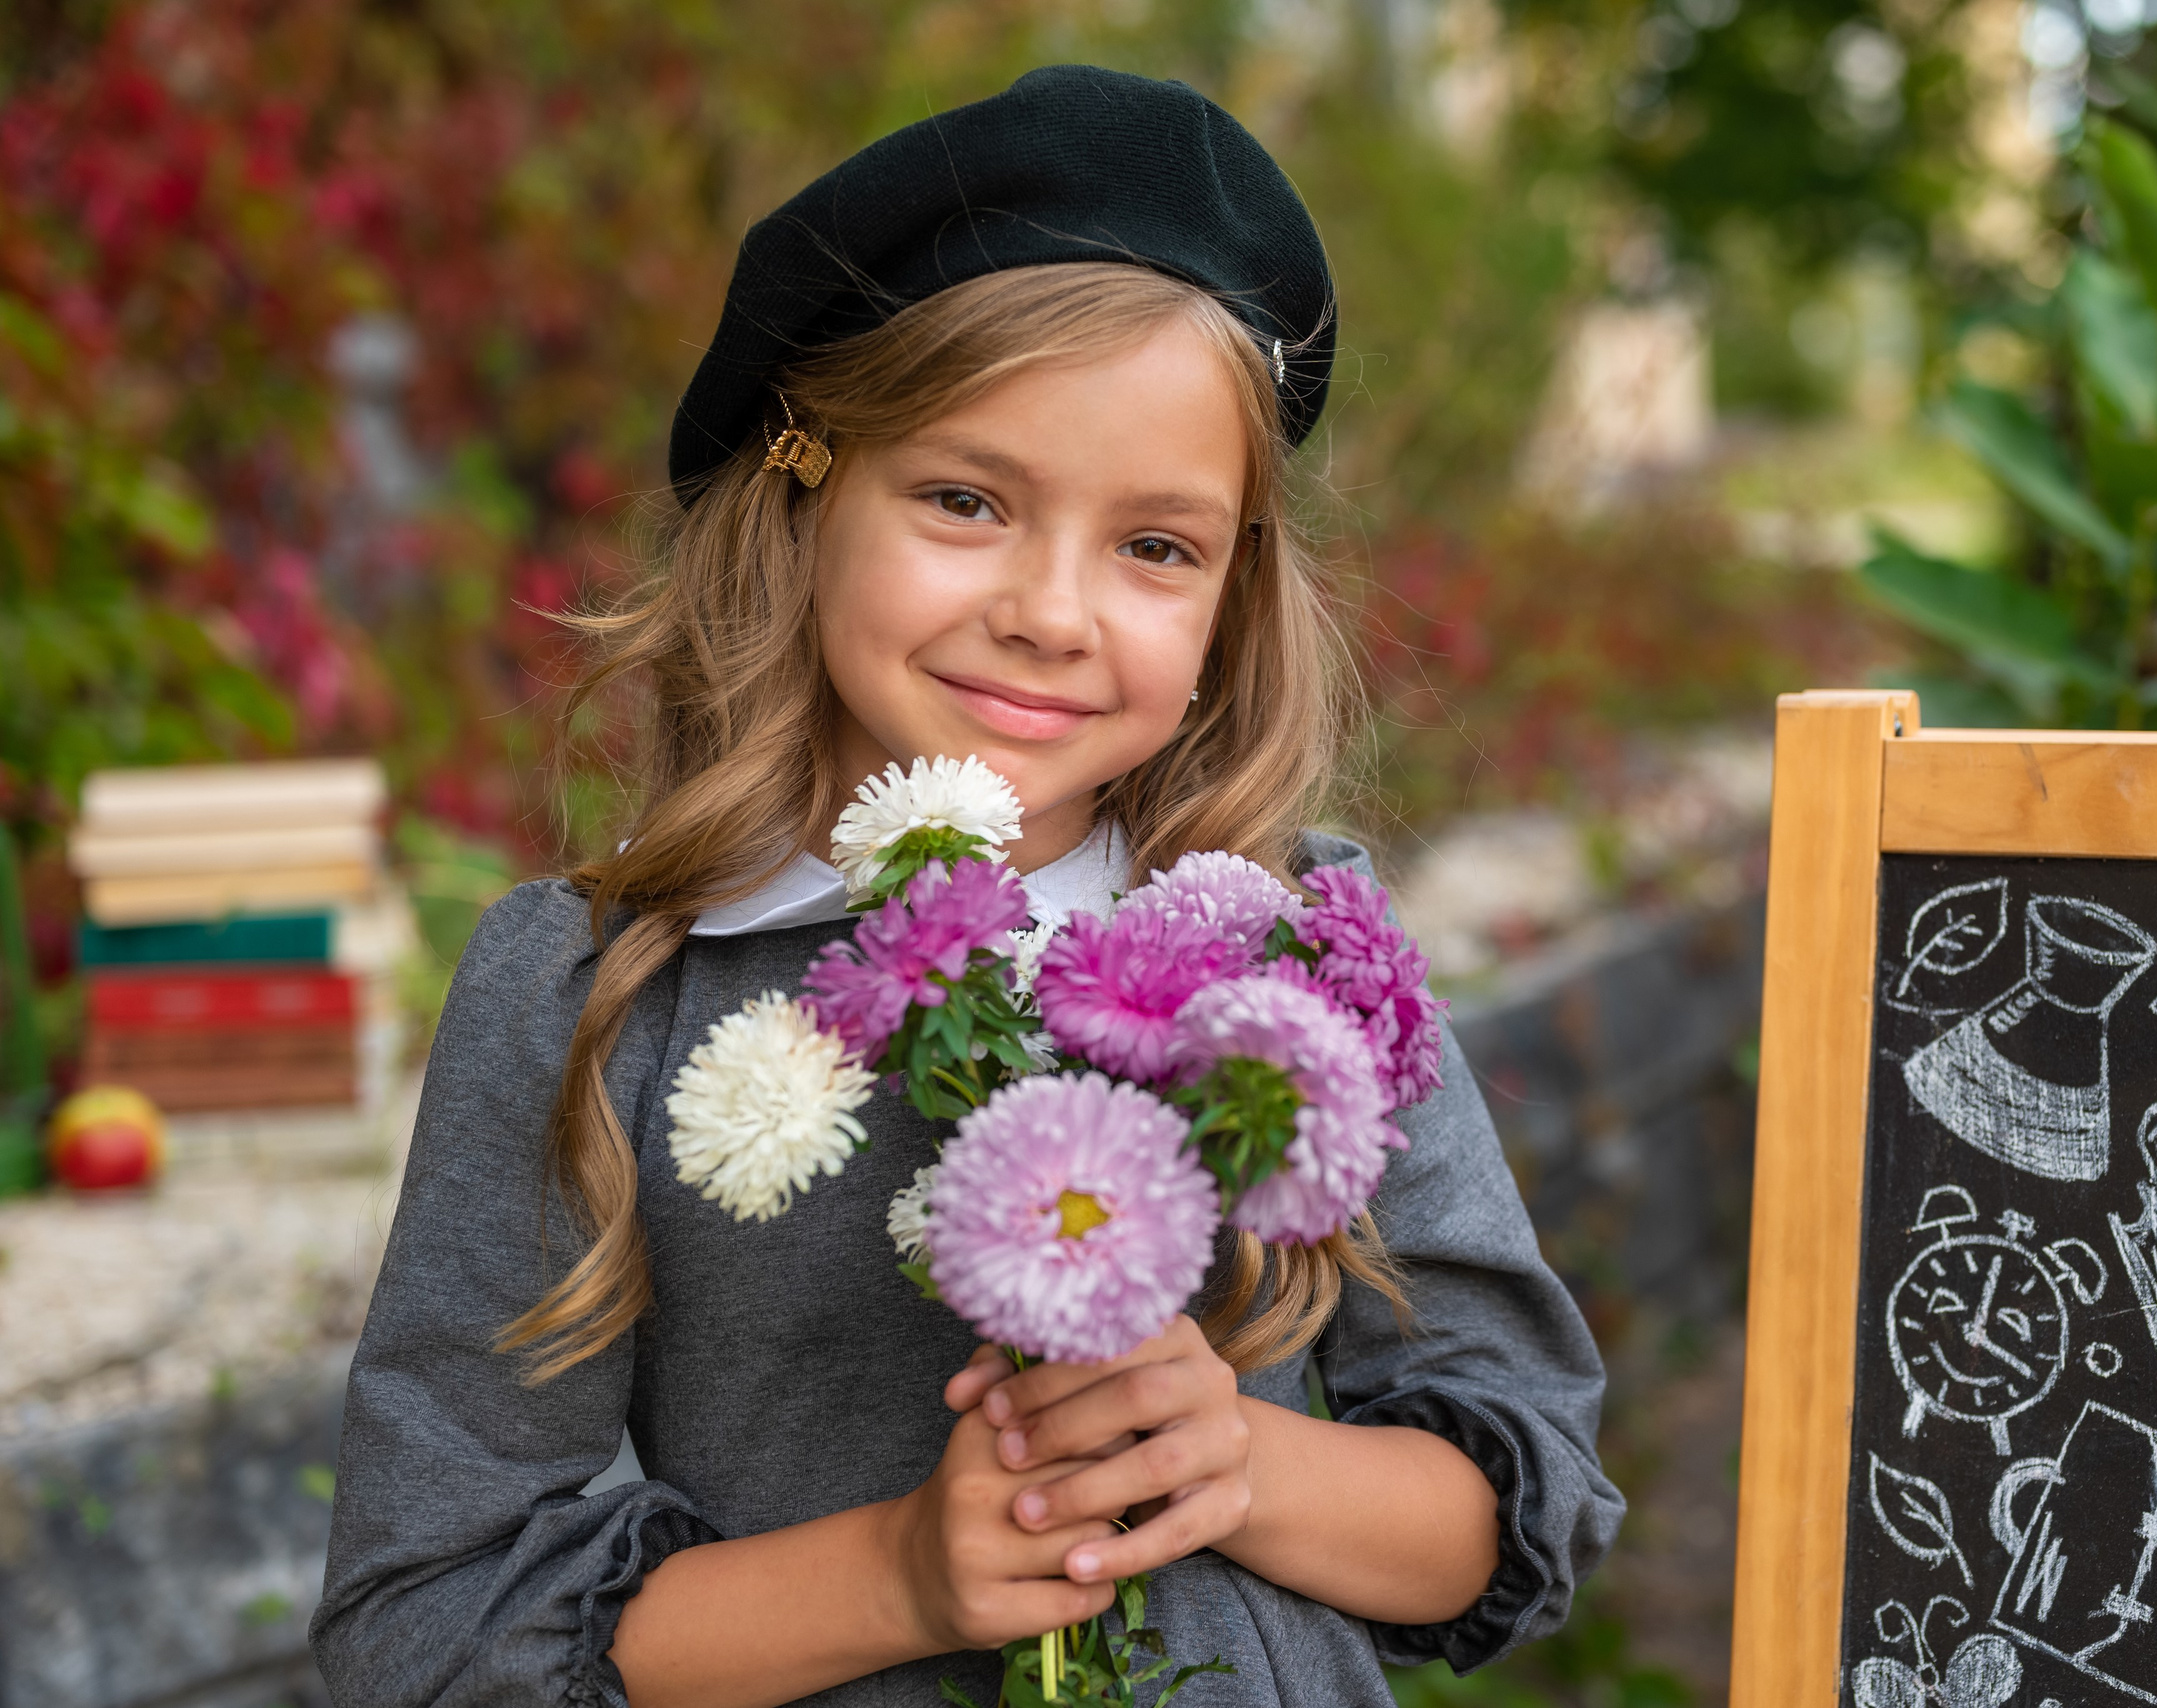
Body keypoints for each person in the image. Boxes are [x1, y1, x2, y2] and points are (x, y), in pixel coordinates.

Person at [310, 65, 1620, 1708]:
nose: (1053, 612)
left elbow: (1510, 1509)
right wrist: (901, 1577)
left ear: (1232, 593)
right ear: (802, 489)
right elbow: (415, 1627)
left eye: (1157, 546)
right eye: (966, 501)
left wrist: (1243, 1468)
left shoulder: (1295, 949)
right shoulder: (604, 993)